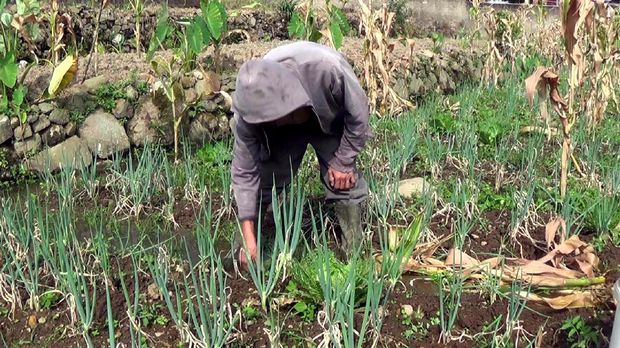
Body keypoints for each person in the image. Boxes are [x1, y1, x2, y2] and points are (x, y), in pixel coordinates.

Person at [230, 41, 371, 270]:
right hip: (286, 123)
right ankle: (245, 251)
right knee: (267, 180)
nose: (274, 122)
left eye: (277, 117)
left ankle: (354, 255)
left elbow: (359, 116)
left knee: (342, 181)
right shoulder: (250, 110)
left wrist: (344, 161)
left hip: (326, 111)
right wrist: (247, 234)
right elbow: (245, 173)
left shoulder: (326, 70)